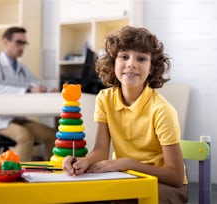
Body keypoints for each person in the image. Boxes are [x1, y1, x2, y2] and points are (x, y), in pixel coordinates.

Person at [63, 26, 188, 203]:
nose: (131, 63)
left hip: (165, 187)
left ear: (151, 67)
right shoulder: (104, 99)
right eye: (124, 56)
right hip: (126, 177)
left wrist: (127, 163)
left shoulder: (162, 110)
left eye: (141, 58)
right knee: (82, 196)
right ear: (113, 62)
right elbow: (100, 151)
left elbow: (175, 176)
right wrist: (84, 161)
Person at [0, 26, 57, 161]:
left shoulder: (22, 68)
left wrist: (47, 90)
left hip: (18, 118)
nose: (22, 47)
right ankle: (18, 177)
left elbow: (34, 84)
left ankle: (52, 174)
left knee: (52, 135)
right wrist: (27, 90)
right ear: (6, 42)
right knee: (26, 136)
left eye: (24, 43)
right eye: (18, 42)